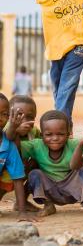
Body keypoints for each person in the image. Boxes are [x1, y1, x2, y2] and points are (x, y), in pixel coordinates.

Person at [19, 110, 83, 217]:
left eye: (60, 134)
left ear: (68, 134)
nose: (55, 138)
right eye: (49, 134)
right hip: (50, 190)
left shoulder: (75, 144)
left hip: (72, 189)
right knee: (34, 174)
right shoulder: (36, 146)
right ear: (41, 135)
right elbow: (16, 147)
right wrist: (15, 130)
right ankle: (48, 205)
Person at [0, 93, 36, 221]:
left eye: (4, 114)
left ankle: (23, 205)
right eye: (19, 116)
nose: (0, 117)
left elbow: (18, 178)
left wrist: (22, 212)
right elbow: (9, 134)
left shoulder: (9, 147)